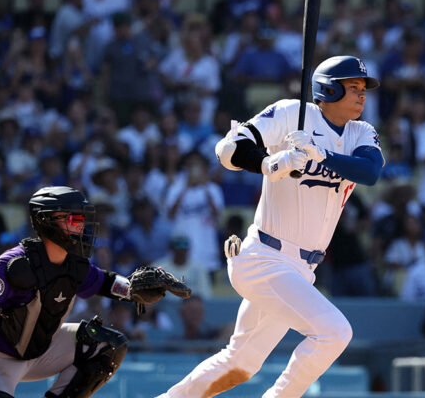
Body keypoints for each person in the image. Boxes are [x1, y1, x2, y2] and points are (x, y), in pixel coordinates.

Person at [159, 55, 383, 398]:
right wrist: (270, 162)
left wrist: (320, 154)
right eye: (352, 87)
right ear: (328, 88)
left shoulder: (360, 132)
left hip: (301, 269)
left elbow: (370, 172)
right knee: (335, 333)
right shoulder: (292, 113)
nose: (361, 95)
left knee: (240, 364)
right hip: (266, 257)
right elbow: (227, 150)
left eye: (363, 88)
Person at [0, 186, 191, 397]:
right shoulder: (13, 266)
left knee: (107, 344)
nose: (80, 226)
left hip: (41, 351)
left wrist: (133, 289)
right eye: (72, 219)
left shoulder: (74, 266)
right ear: (45, 220)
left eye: (81, 219)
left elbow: (105, 283)